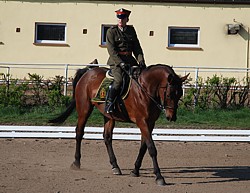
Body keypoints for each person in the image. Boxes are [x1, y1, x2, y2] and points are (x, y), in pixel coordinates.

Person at [105, 8, 146, 113]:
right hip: (116, 62)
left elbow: (137, 47)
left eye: (123, 18)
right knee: (119, 80)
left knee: (141, 78)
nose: (120, 20)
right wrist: (120, 63)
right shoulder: (111, 31)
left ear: (127, 19)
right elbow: (111, 50)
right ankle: (109, 103)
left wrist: (141, 61)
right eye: (119, 18)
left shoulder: (131, 31)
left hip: (130, 60)